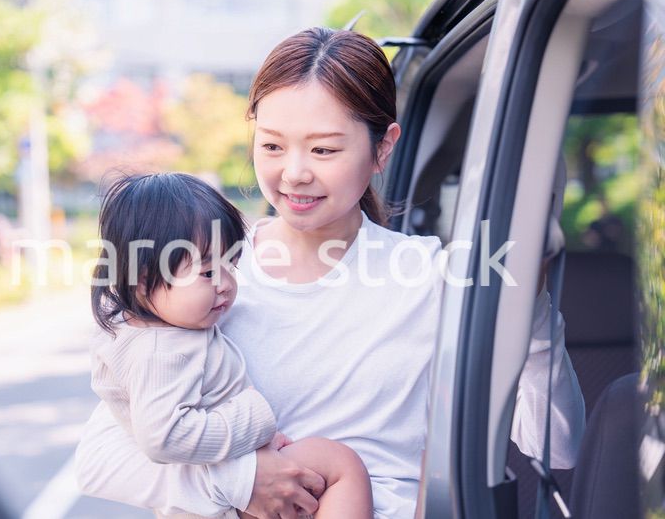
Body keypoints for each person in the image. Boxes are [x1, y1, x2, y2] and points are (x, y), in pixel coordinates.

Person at [76, 27, 585, 519]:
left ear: (383, 147)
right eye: (272, 146)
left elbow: (557, 445)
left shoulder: (434, 277)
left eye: (323, 149)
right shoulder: (202, 275)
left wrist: (531, 308)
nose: (294, 172)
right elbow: (101, 460)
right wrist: (244, 483)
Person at [89, 173, 372, 518]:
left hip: (225, 486)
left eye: (232, 265)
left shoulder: (153, 329)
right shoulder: (160, 350)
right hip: (228, 492)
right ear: (145, 281)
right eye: (207, 273)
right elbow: (163, 437)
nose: (225, 284)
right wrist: (254, 421)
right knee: (340, 464)